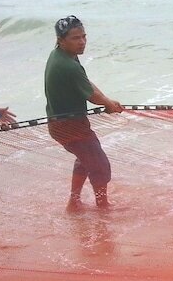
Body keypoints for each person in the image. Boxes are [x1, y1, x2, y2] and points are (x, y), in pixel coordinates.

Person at [45, 15, 125, 211]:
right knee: (100, 165)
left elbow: (85, 82)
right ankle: (102, 205)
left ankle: (74, 202)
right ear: (60, 40)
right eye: (75, 38)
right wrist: (107, 103)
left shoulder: (62, 55)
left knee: (85, 158)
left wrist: (107, 100)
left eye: (83, 36)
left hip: (61, 123)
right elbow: (90, 95)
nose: (82, 42)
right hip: (69, 125)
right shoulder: (67, 65)